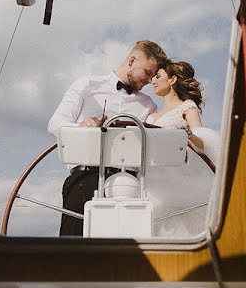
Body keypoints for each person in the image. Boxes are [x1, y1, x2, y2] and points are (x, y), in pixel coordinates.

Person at [48, 40, 168, 236]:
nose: (149, 81)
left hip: (131, 186)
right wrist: (81, 127)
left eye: (153, 76)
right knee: (73, 248)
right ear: (131, 61)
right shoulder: (87, 84)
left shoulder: (148, 106)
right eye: (147, 73)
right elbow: (55, 123)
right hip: (85, 177)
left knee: (125, 255)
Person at [145, 60, 220, 237]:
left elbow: (202, 142)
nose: (153, 81)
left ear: (172, 80)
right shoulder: (151, 116)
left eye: (158, 76)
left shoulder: (187, 107)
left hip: (179, 176)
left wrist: (190, 136)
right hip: (154, 180)